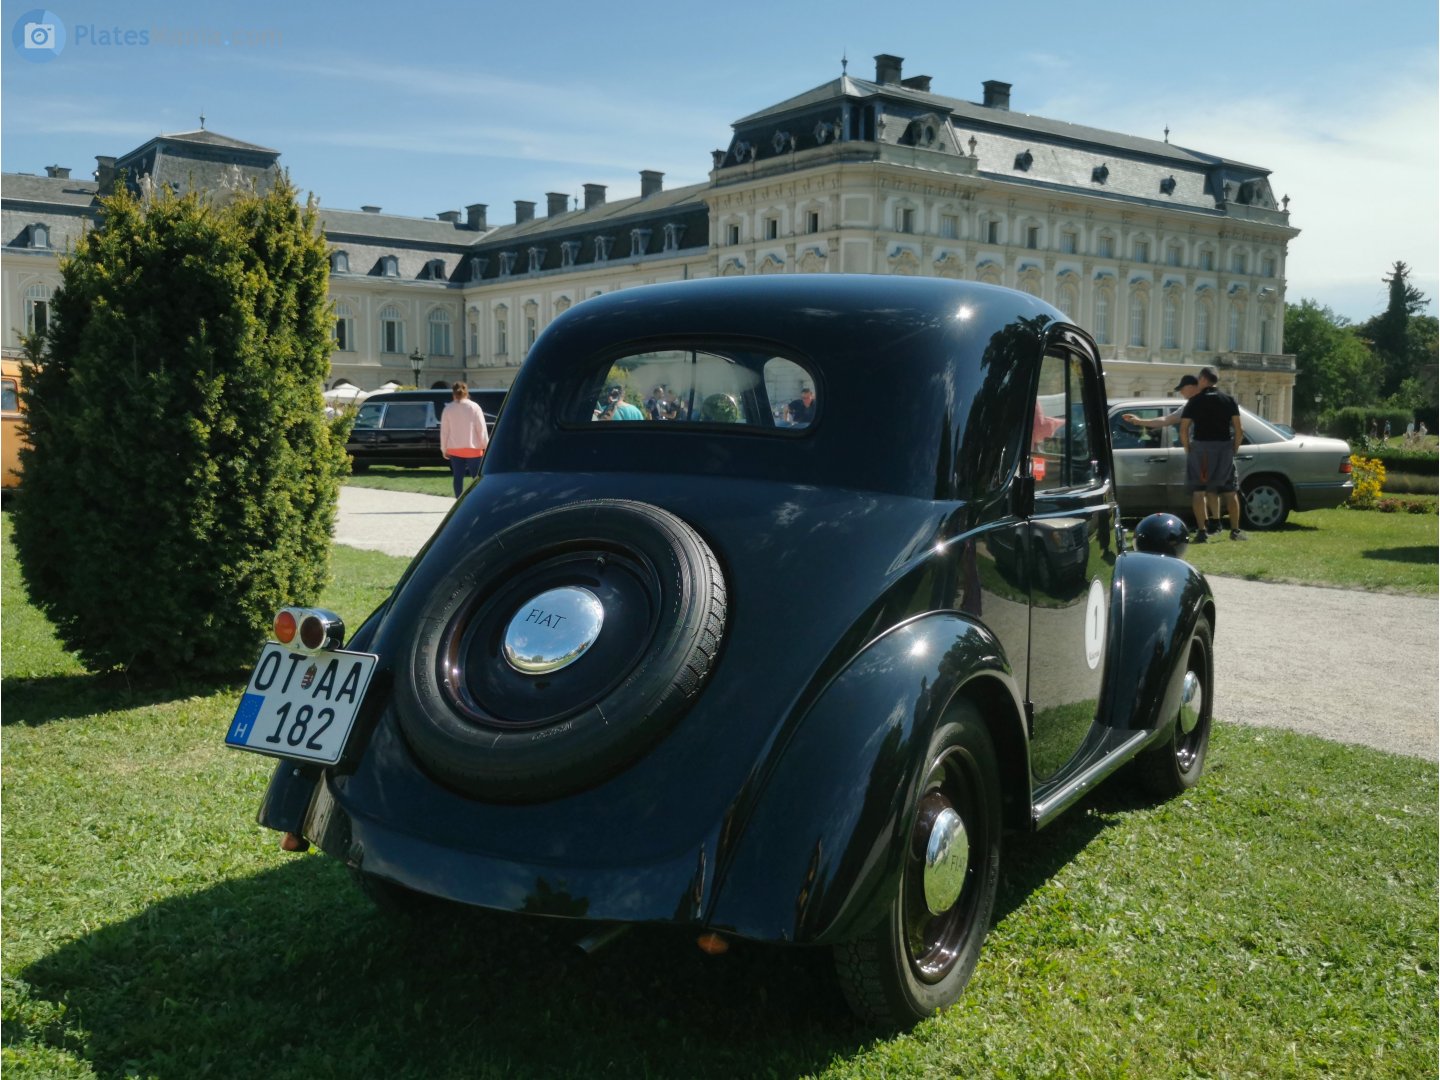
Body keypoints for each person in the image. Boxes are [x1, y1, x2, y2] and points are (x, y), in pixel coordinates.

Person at [1179, 367, 1246, 542]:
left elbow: (1184, 429)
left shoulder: (1195, 401)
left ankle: (1202, 531)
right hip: (1224, 448)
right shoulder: (1228, 400)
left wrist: (1188, 449)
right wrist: (1234, 449)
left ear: (1202, 379)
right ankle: (1235, 530)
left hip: (1201, 449)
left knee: (1199, 491)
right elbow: (1239, 429)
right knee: (1230, 491)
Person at [439, 382, 489, 498]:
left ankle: (458, 502)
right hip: (474, 449)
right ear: (467, 393)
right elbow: (481, 429)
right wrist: (486, 445)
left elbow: (445, 431)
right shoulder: (474, 407)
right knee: (476, 478)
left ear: (453, 394)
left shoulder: (448, 408)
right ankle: (478, 499)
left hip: (455, 449)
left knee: (458, 477)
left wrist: (444, 449)